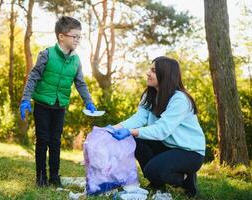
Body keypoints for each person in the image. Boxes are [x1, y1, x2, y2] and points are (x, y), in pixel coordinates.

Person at [107, 56, 205, 197]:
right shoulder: (150, 94)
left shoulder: (180, 99)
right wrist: (113, 128)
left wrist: (129, 131)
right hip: (168, 146)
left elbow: (161, 130)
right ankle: (157, 183)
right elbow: (139, 118)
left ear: (165, 74)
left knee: (152, 170)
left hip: (190, 152)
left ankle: (186, 178)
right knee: (133, 141)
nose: (148, 73)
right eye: (150, 69)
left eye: (153, 70)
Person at [19, 16, 96, 187]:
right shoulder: (47, 54)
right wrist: (25, 100)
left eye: (79, 36)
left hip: (60, 106)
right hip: (42, 105)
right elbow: (33, 77)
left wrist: (88, 102)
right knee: (42, 141)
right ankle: (41, 178)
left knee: (55, 141)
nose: (77, 40)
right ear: (62, 36)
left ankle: (54, 177)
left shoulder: (76, 60)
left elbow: (80, 83)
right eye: (74, 36)